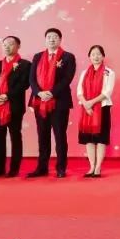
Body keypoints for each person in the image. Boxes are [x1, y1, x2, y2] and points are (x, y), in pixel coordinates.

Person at [29, 28, 77, 178]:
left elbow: (67, 78)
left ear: (60, 40)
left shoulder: (68, 57)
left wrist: (51, 92)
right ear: (45, 40)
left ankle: (61, 168)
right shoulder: (38, 56)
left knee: (60, 136)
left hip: (59, 102)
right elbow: (32, 79)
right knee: (42, 136)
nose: (51, 39)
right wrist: (39, 92)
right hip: (40, 101)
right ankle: (42, 168)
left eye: (55, 37)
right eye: (49, 37)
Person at [0, 36, 30, 178]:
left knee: (15, 137)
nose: (7, 47)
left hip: (14, 106)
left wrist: (7, 96)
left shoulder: (25, 64)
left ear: (18, 46)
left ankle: (14, 169)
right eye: (4, 44)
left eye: (11, 44)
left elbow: (24, 84)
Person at [78, 44, 115, 178]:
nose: (96, 57)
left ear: (103, 56)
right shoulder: (84, 73)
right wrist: (86, 104)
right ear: (89, 57)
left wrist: (91, 103)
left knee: (100, 138)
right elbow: (79, 92)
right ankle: (91, 166)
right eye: (93, 54)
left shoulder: (109, 72)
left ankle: (98, 167)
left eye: (98, 54)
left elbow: (107, 92)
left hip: (102, 108)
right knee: (89, 139)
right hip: (86, 109)